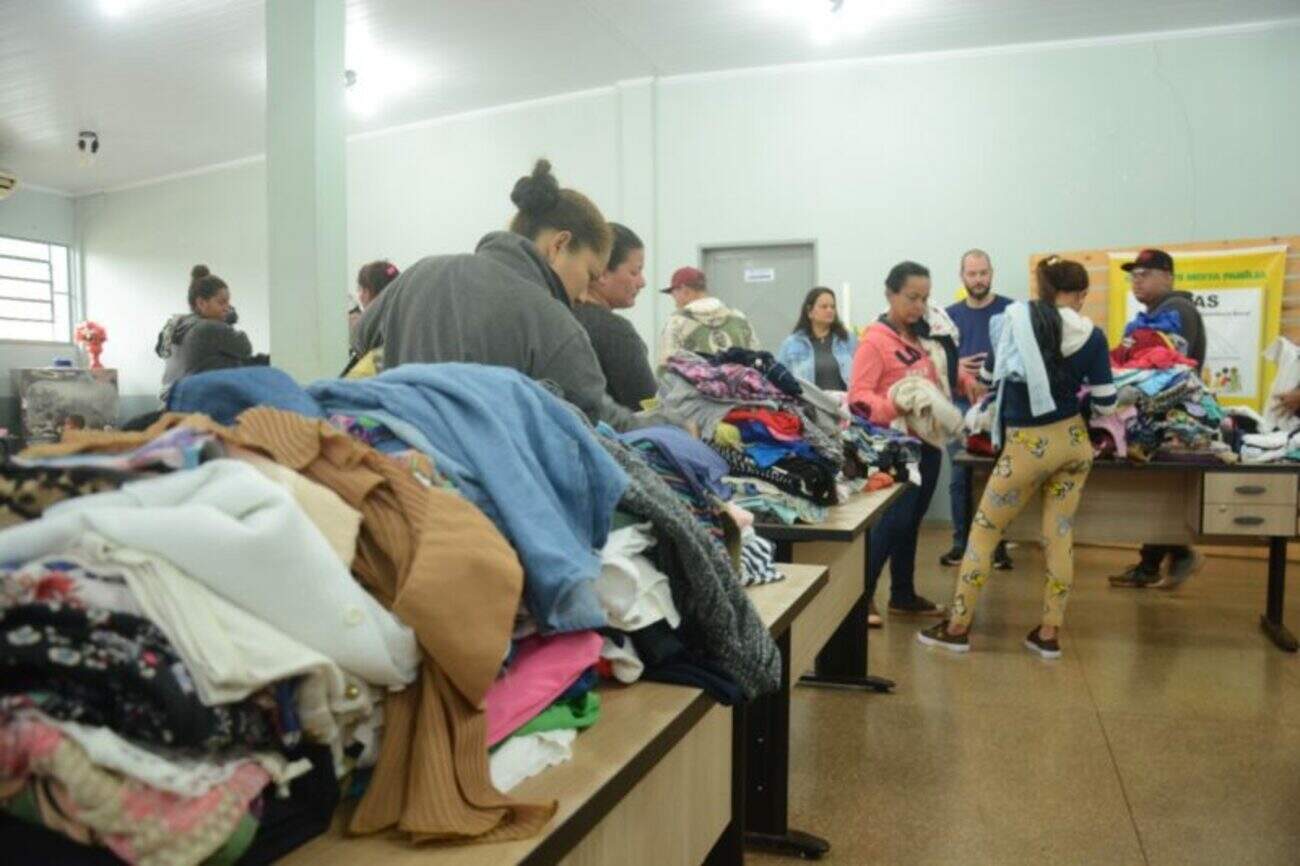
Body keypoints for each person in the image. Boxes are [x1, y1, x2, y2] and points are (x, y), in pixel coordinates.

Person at [917, 256, 1117, 658]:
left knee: (984, 531)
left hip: (1027, 445)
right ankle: (1048, 633)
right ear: (1081, 295)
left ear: (1042, 291)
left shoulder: (1017, 321)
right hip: (1075, 443)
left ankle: (957, 627)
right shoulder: (1093, 337)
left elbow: (990, 379)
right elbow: (1106, 403)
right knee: (1058, 536)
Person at [353, 159, 648, 432]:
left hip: (401, 465)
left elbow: (361, 338)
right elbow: (594, 418)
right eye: (589, 274)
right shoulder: (554, 322)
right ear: (559, 245)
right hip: (480, 481)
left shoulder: (420, 272)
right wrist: (664, 428)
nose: (585, 293)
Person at [850, 261, 982, 621]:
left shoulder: (926, 335)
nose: (919, 306)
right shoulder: (874, 342)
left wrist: (961, 380)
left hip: (928, 443)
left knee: (912, 522)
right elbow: (858, 398)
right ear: (890, 293)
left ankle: (903, 594)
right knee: (895, 521)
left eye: (924, 298)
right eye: (911, 298)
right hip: (896, 448)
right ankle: (858, 598)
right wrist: (894, 403)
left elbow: (936, 371)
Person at [1108, 248, 1207, 589]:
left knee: (1160, 488)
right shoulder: (1155, 313)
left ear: (1168, 276)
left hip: (1169, 414)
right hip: (1157, 413)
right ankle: (1157, 560)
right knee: (1156, 489)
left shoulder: (1177, 311)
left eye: (1146, 273)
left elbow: (1167, 367)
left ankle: (1174, 554)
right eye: (1133, 274)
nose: (1137, 278)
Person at [942, 250, 1014, 569]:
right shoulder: (947, 317)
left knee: (999, 477)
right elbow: (936, 365)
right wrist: (959, 367)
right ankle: (961, 544)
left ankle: (997, 546)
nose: (978, 279)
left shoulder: (1011, 310)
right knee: (960, 476)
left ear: (992, 273)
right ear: (962, 276)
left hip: (1000, 405)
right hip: (958, 406)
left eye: (983, 273)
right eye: (972, 274)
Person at [572, 223, 657, 411]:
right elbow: (647, 406)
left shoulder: (558, 317)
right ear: (601, 272)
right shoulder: (615, 331)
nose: (642, 282)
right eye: (635, 272)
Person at [156, 265, 255, 401]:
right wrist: (228, 322)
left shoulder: (176, 323)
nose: (227, 308)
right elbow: (245, 348)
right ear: (201, 303)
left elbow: (161, 351)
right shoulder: (209, 327)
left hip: (171, 399)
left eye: (228, 303)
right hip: (199, 403)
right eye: (222, 302)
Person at [657, 266, 758, 368]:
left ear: (685, 290)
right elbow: (756, 360)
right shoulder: (739, 318)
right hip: (739, 383)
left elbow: (666, 367)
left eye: (674, 293)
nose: (674, 299)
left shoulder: (677, 323)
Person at [775, 287, 856, 392]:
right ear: (810, 311)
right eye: (824, 307)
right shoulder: (791, 344)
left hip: (842, 406)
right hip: (807, 406)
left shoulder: (847, 340)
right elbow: (779, 380)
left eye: (833, 307)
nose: (829, 310)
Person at [348, 260, 401, 334]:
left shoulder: (367, 330)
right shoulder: (405, 321)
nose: (360, 296)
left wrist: (358, 329)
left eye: (361, 289)